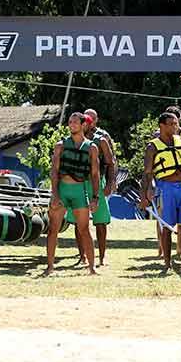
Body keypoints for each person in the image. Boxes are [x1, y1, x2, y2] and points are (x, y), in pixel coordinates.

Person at [140, 112, 181, 275]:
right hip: (165, 188)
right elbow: (147, 173)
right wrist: (144, 194)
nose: (176, 126)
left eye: (176, 123)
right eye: (172, 124)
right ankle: (167, 264)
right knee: (166, 228)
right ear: (162, 126)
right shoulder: (152, 147)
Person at [44, 112, 100, 276]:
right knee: (53, 229)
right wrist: (54, 194)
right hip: (62, 190)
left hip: (79, 190)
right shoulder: (60, 145)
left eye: (75, 122)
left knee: (84, 229)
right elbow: (54, 171)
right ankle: (50, 267)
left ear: (83, 125)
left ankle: (92, 267)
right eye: (70, 122)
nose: (72, 125)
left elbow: (95, 175)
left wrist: (95, 197)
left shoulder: (91, 147)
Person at [69, 113, 116, 267]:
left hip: (96, 182)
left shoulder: (101, 140)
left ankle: (102, 257)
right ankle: (82, 257)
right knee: (78, 221)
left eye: (84, 123)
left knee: (100, 221)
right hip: (77, 182)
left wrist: (110, 183)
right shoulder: (72, 140)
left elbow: (111, 163)